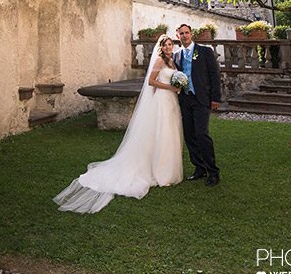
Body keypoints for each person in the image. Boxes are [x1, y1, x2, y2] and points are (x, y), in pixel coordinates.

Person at [54, 34, 184, 213]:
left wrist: (178, 85)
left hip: (171, 101)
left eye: (170, 44)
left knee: (170, 134)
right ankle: (161, 171)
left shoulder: (171, 62)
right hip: (162, 100)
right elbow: (151, 81)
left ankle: (169, 168)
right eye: (165, 45)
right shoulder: (160, 61)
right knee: (162, 133)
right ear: (160, 48)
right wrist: (170, 87)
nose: (168, 47)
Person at [174, 23, 222, 186]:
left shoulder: (204, 51)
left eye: (187, 32)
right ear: (178, 36)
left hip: (201, 99)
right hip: (185, 100)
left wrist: (215, 98)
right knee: (189, 135)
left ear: (191, 34)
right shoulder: (176, 56)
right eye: (181, 33)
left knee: (202, 134)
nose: (184, 35)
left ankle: (213, 172)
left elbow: (214, 75)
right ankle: (199, 168)